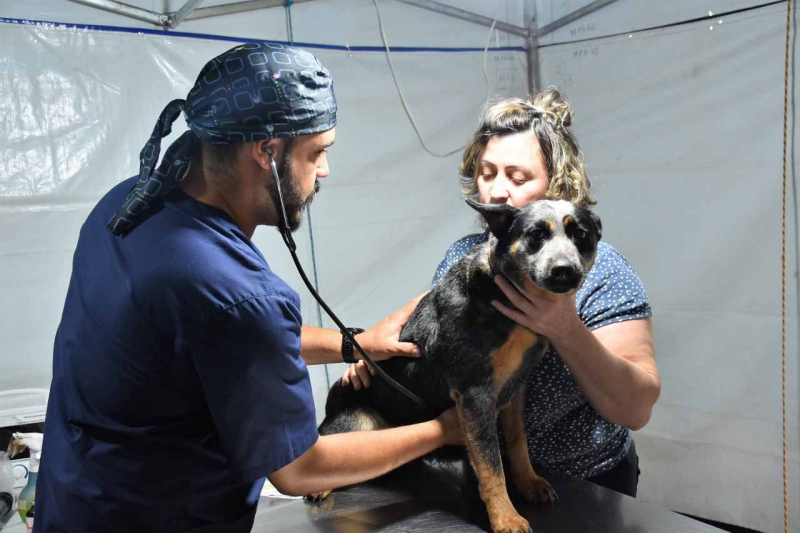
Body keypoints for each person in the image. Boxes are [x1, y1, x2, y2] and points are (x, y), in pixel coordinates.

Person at [35, 43, 461, 533]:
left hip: (75, 503)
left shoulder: (129, 203)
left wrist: (354, 345)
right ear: (266, 151)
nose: (324, 170)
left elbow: (213, 337)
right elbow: (302, 468)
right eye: (317, 152)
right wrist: (442, 431)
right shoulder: (238, 293)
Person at [343, 88, 660, 498]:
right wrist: (370, 357)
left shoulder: (603, 272)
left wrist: (565, 328)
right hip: (477, 475)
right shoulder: (468, 258)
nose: (494, 191)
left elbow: (636, 409)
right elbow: (431, 333)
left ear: (556, 183)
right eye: (487, 172)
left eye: (517, 176)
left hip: (586, 482)